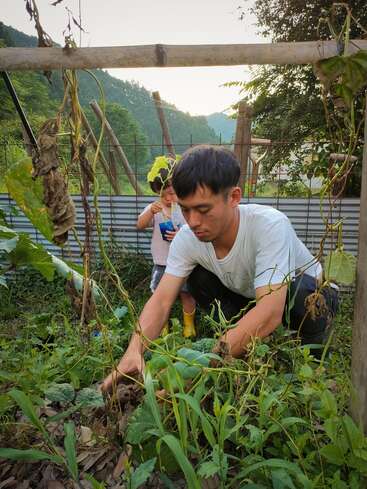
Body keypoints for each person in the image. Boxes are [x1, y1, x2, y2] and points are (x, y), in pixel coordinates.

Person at [102, 145, 338, 391]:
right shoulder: (187, 238)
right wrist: (133, 351)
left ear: (234, 197)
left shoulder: (269, 225)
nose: (192, 221)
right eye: (185, 209)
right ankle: (241, 346)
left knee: (299, 291)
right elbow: (162, 300)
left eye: (203, 210)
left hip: (312, 297)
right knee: (197, 279)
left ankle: (314, 356)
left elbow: (269, 310)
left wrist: (202, 367)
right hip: (255, 297)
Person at [136, 165, 196, 338]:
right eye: (164, 194)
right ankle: (162, 327)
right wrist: (149, 214)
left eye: (173, 193)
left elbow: (194, 230)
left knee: (187, 294)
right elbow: (140, 225)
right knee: (161, 299)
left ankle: (189, 327)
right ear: (157, 192)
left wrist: (180, 234)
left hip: (185, 262)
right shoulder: (154, 208)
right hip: (162, 263)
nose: (170, 198)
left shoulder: (184, 208)